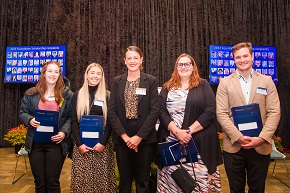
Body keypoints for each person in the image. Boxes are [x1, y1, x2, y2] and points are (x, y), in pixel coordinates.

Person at [216, 42, 280, 193]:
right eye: (238, 57)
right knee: (235, 189)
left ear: (252, 57)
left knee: (257, 189)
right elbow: (221, 113)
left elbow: (274, 112)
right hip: (234, 146)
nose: (242, 60)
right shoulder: (224, 83)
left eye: (245, 56)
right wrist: (238, 136)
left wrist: (262, 138)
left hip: (260, 145)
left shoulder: (267, 81)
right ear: (233, 59)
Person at [157, 53, 223, 192]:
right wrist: (177, 132)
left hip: (198, 145)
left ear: (193, 67)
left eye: (187, 64)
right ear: (176, 67)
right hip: (172, 145)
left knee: (197, 185)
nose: (184, 67)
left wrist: (188, 132)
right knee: (172, 183)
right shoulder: (167, 87)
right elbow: (161, 111)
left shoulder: (203, 85)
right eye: (180, 64)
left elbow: (210, 111)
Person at [108, 46, 159, 192]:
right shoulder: (117, 81)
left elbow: (154, 111)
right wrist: (125, 137)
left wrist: (139, 137)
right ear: (124, 61)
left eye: (135, 58)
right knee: (124, 180)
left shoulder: (150, 81)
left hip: (145, 137)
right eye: (129, 58)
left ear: (141, 60)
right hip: (122, 137)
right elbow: (112, 112)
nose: (132, 61)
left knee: (143, 180)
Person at [19, 60, 73, 193]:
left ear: (60, 74)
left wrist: (64, 133)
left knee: (52, 182)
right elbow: (22, 113)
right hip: (35, 143)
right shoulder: (31, 93)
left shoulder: (67, 94)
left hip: (56, 143)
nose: (53, 74)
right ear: (44, 73)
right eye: (50, 71)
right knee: (39, 183)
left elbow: (72, 117)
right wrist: (30, 120)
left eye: (56, 72)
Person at [70, 63, 116, 192]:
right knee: (82, 180)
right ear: (87, 75)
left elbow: (111, 122)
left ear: (102, 77)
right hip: (81, 145)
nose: (95, 76)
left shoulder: (107, 95)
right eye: (92, 73)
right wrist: (78, 144)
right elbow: (74, 121)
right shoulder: (77, 95)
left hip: (102, 145)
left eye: (98, 73)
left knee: (102, 180)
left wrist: (103, 143)